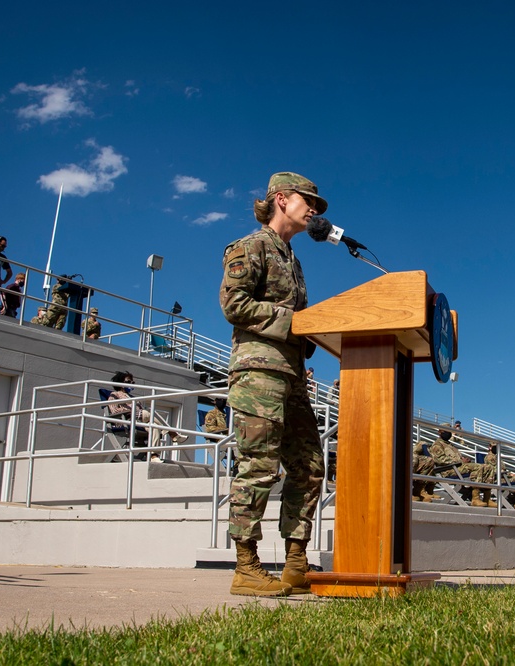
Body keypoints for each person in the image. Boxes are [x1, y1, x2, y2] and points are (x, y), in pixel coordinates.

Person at [219, 171, 327, 597]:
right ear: (281, 199)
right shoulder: (250, 247)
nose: (315, 210)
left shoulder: (292, 260)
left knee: (310, 465)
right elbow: (234, 303)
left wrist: (314, 334)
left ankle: (296, 564)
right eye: (309, 201)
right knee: (258, 466)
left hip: (293, 377)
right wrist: (295, 325)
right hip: (259, 372)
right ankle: (246, 566)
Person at [429, 424, 493, 506]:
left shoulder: (450, 445)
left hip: (458, 467)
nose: (448, 433)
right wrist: (460, 461)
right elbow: (440, 459)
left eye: (449, 431)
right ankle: (475, 499)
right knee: (479, 467)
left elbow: (457, 458)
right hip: (448, 470)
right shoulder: (437, 445)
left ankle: (487, 498)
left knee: (488, 467)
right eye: (445, 431)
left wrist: (464, 459)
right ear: (439, 432)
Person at [483, 442, 515, 510]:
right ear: (490, 447)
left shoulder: (497, 457)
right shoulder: (489, 457)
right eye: (494, 447)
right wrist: (509, 474)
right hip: (498, 479)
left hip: (504, 476)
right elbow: (495, 470)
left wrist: (509, 474)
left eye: (497, 447)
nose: (496, 449)